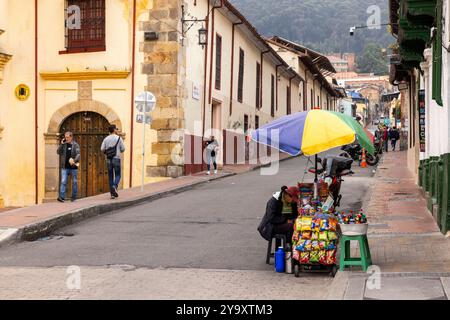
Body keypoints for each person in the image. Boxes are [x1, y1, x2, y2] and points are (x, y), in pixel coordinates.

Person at [101, 125, 125, 199]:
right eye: (116, 129)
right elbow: (123, 148)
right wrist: (119, 151)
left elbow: (102, 149)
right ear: (114, 130)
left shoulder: (106, 139)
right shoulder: (118, 138)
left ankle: (112, 194)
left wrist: (107, 152)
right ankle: (114, 186)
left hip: (108, 159)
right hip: (116, 158)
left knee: (110, 176)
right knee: (118, 175)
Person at [57, 131, 81, 202]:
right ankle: (62, 197)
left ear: (71, 137)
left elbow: (78, 154)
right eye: (65, 137)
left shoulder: (75, 145)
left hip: (73, 167)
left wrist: (74, 160)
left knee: (74, 182)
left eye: (67, 137)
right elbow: (58, 152)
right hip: (64, 167)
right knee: (63, 182)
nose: (66, 139)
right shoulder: (63, 145)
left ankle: (73, 197)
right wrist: (61, 144)